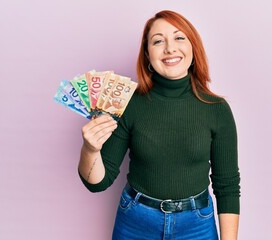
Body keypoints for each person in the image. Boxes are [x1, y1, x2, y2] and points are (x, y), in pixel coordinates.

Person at [78, 10, 241, 240]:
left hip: (197, 226)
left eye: (179, 38)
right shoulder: (129, 104)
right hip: (135, 223)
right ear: (147, 55)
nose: (170, 48)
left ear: (193, 47)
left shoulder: (217, 108)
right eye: (158, 41)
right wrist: (90, 149)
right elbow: (98, 183)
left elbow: (228, 186)